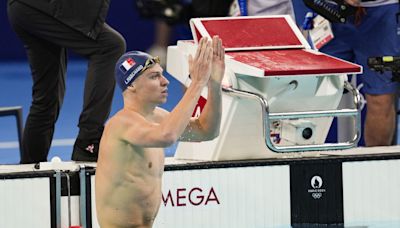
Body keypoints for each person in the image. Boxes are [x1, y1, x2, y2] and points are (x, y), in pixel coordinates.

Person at [95, 36, 225, 227]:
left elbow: (207, 131)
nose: (165, 82)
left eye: (162, 74)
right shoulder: (120, 124)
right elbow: (167, 136)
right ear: (131, 85)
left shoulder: (158, 118)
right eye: (154, 76)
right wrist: (197, 83)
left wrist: (213, 84)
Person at [7, 0, 126, 163]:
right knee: (110, 46)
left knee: (48, 96)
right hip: (39, 6)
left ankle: (29, 170)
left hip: (24, 8)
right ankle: (89, 140)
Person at [315, 0, 399, 146]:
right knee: (311, 93)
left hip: (382, 14)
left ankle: (376, 165)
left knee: (381, 99)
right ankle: (303, 161)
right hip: (329, 12)